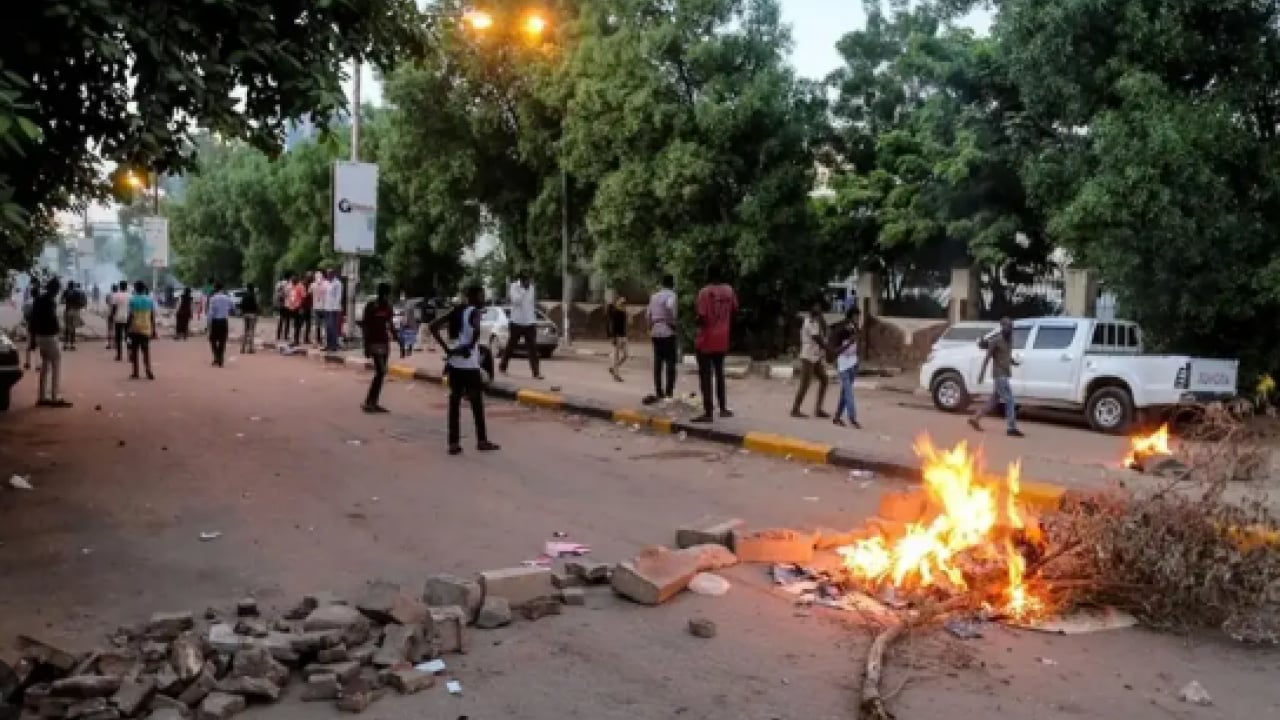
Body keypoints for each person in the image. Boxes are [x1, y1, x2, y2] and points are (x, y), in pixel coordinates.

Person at [430, 285, 500, 456]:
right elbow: (476, 331)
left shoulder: (456, 311)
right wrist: (468, 347)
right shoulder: (474, 312)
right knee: (476, 403)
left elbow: (433, 326)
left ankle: (453, 443)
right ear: (473, 297)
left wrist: (447, 349)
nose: (483, 299)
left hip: (454, 365)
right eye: (481, 296)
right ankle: (481, 441)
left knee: (454, 403)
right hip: (469, 366)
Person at [691, 268, 738, 423]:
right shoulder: (729, 290)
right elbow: (734, 309)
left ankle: (708, 412)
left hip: (706, 339)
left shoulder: (704, 292)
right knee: (719, 374)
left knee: (705, 376)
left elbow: (702, 316)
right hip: (723, 338)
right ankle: (723, 408)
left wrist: (696, 322)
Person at [969, 316, 1023, 437]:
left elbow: (1006, 356)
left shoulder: (1010, 340)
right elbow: (987, 358)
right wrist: (981, 374)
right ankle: (1011, 428)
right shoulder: (996, 341)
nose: (1009, 328)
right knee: (1010, 401)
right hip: (999, 375)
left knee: (993, 400)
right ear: (1002, 327)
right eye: (1007, 326)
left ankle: (975, 418)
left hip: (1005, 374)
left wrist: (1014, 362)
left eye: (1011, 326)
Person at [30, 278, 70, 407]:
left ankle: (42, 397)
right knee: (56, 364)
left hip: (39, 335)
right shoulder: (50, 301)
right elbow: (52, 318)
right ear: (55, 289)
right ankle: (55, 397)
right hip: (49, 335)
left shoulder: (38, 300)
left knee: (45, 366)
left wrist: (32, 339)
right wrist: (58, 329)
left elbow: (33, 320)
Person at [791, 299, 830, 419]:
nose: (818, 308)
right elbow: (816, 337)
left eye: (819, 307)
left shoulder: (817, 321)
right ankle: (795, 409)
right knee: (805, 384)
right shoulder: (809, 322)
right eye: (816, 306)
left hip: (815, 356)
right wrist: (828, 349)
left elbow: (824, 332)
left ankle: (818, 409)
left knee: (824, 379)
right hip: (808, 357)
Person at [500, 271, 543, 379]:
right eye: (527, 280)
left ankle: (536, 372)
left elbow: (531, 304)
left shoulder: (532, 288)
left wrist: (534, 319)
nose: (529, 282)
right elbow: (516, 301)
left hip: (530, 322)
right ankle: (503, 366)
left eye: (529, 280)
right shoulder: (514, 287)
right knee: (511, 346)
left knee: (533, 349)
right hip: (516, 322)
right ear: (522, 280)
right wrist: (524, 290)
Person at [360, 283, 396, 413]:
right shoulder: (371, 306)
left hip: (384, 342)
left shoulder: (388, 307)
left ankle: (372, 402)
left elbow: (390, 324)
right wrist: (366, 346)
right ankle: (369, 402)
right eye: (384, 294)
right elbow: (365, 326)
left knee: (380, 373)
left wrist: (399, 340)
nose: (385, 297)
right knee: (381, 371)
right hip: (373, 342)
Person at [644, 274, 678, 404]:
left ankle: (659, 391)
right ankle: (669, 392)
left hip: (655, 331)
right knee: (670, 363)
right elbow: (670, 308)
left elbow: (647, 315)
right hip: (667, 331)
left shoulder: (654, 296)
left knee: (658, 363)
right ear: (672, 284)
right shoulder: (672, 295)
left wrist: (650, 328)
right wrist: (672, 323)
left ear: (662, 284)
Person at [831, 307, 862, 429]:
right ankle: (852, 418)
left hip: (853, 364)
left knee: (844, 393)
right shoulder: (841, 329)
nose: (858, 318)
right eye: (856, 316)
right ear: (851, 316)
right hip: (843, 365)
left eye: (858, 316)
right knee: (848, 392)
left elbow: (857, 345)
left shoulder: (856, 328)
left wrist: (857, 360)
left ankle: (837, 417)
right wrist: (849, 342)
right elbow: (836, 350)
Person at [125, 281, 157, 380]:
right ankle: (148, 371)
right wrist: (154, 329)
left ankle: (135, 372)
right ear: (144, 289)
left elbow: (130, 316)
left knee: (134, 351)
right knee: (146, 351)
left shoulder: (132, 300)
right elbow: (152, 316)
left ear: (135, 289)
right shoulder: (150, 300)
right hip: (146, 328)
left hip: (135, 328)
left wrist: (127, 329)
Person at [207, 282, 233, 367]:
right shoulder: (227, 298)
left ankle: (216, 356)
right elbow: (232, 307)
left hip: (215, 321)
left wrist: (208, 324)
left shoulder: (213, 298)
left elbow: (211, 312)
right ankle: (220, 357)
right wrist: (226, 311)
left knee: (213, 340)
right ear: (222, 288)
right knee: (222, 340)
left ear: (215, 288)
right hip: (224, 321)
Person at [606, 296, 628, 382]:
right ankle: (616, 375)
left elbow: (624, 325)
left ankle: (613, 368)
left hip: (623, 336)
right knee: (616, 356)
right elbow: (613, 326)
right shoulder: (615, 312)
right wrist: (613, 337)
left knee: (626, 355)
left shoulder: (623, 312)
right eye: (621, 302)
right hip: (617, 336)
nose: (623, 303)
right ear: (617, 302)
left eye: (624, 302)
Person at [324, 270, 343, 352]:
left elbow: (338, 297)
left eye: (329, 274)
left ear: (333, 274)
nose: (328, 275)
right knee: (328, 327)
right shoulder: (327, 283)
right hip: (327, 308)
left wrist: (334, 308)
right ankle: (328, 345)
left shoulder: (337, 283)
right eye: (327, 274)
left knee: (333, 327)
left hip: (334, 309)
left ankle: (334, 345)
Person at [110, 282, 130, 359]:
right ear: (126, 287)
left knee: (118, 337)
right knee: (128, 336)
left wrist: (112, 316)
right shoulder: (130, 296)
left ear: (120, 287)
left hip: (118, 318)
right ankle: (129, 354)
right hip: (127, 318)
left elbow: (114, 308)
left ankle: (119, 355)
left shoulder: (116, 295)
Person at [310, 270, 328, 347]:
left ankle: (315, 341)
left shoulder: (313, 284)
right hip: (324, 307)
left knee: (316, 325)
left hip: (316, 307)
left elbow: (309, 292)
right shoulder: (326, 284)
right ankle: (324, 341)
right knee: (324, 325)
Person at [240, 284, 260, 354]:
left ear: (247, 288)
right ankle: (250, 348)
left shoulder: (244, 296)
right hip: (252, 314)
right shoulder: (253, 296)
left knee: (245, 331)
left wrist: (243, 312)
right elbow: (256, 305)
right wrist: (257, 313)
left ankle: (242, 348)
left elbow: (241, 305)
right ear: (253, 289)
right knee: (251, 331)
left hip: (245, 314)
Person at [286, 275, 305, 345]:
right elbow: (291, 296)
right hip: (292, 308)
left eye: (293, 280)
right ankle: (294, 339)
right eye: (292, 280)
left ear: (296, 280)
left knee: (298, 324)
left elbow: (303, 297)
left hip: (298, 307)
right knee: (294, 324)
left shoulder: (300, 286)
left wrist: (301, 307)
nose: (292, 281)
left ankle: (296, 340)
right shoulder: (292, 287)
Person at [275, 272, 293, 341]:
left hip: (280, 303)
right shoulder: (290, 284)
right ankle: (285, 335)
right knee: (287, 320)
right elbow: (290, 294)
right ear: (289, 277)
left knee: (281, 319)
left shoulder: (279, 283)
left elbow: (277, 293)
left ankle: (278, 335)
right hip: (287, 304)